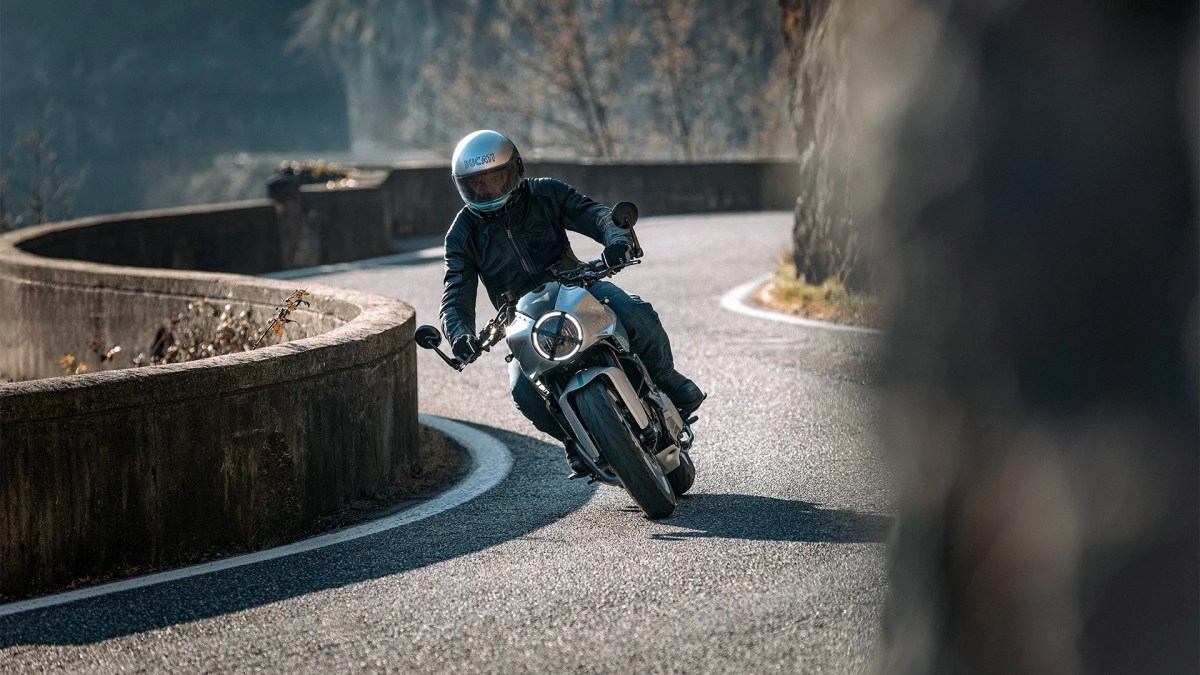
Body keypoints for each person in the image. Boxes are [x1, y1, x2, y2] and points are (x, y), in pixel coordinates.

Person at [439, 129, 705, 476]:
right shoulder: (462, 233)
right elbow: (455, 293)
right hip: (521, 317)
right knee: (523, 389)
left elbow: (594, 214)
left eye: (496, 177)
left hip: (577, 285)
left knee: (634, 313)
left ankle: (667, 379)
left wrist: (617, 239)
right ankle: (573, 441)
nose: (488, 189)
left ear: (515, 168)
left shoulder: (546, 192)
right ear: (463, 186)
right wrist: (459, 334)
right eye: (477, 183)